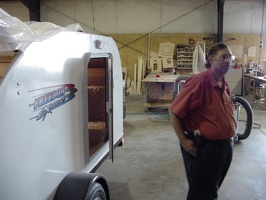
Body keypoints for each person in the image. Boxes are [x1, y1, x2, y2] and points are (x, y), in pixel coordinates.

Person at [169, 43, 237, 200]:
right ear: (211, 59)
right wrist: (184, 140)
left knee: (204, 190)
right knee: (205, 193)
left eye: (229, 57)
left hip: (224, 147)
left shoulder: (224, 83)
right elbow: (175, 111)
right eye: (223, 57)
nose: (227, 61)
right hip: (206, 149)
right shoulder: (199, 82)